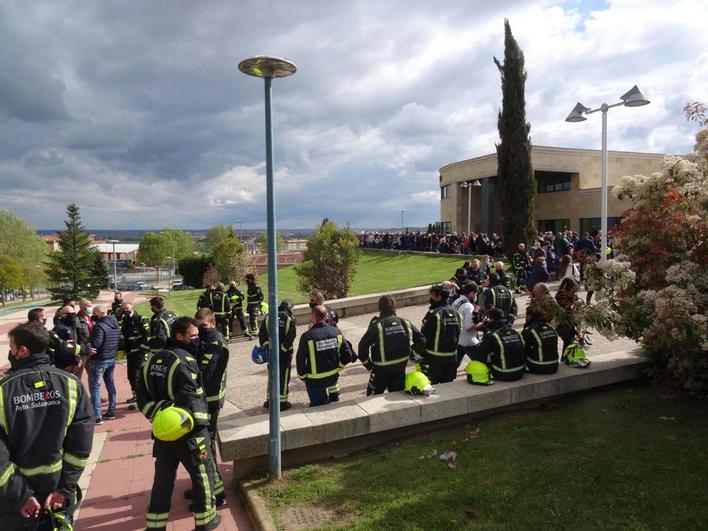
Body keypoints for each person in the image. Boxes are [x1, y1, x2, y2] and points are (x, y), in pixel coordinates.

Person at [0, 322, 93, 530]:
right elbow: (81, 445)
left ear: (22, 351)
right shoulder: (70, 384)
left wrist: (20, 496)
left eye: (12, 348)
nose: (11, 352)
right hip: (57, 494)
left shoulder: (3, 391)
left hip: (15, 502)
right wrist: (65, 488)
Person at [136, 317, 221, 531]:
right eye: (192, 336)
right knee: (203, 474)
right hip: (189, 432)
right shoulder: (185, 360)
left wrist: (159, 414)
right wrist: (202, 428)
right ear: (179, 336)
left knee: (163, 480)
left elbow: (142, 397)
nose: (196, 339)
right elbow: (192, 398)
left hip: (163, 433)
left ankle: (155, 526)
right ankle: (206, 520)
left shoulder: (152, 361)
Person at [188, 309, 230, 505]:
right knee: (201, 444)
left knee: (206, 445)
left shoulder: (216, 342)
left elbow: (205, 371)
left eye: (203, 327)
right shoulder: (206, 340)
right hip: (203, 399)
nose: (200, 331)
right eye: (197, 327)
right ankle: (206, 485)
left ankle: (214, 491)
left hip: (210, 400)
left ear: (212, 324)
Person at [358, 295, 425, 395]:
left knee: (372, 401)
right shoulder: (405, 322)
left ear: (380, 308)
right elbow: (422, 340)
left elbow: (363, 345)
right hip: (400, 368)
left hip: (380, 371)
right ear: (394, 307)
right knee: (397, 398)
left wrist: (368, 364)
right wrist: (411, 355)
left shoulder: (377, 325)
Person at [296, 306, 354, 406]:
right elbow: (348, 355)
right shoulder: (336, 332)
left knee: (317, 407)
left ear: (313, 317)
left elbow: (300, 360)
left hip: (314, 381)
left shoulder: (307, 336)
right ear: (326, 317)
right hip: (332, 378)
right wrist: (339, 367)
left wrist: (302, 377)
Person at [259, 300, 297, 409]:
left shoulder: (268, 317)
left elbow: (262, 334)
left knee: (272, 376)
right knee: (283, 377)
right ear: (290, 308)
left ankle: (269, 400)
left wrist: (267, 347)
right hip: (285, 354)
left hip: (271, 353)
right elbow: (291, 336)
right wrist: (282, 350)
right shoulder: (290, 319)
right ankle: (282, 402)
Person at [420, 284, 462, 384]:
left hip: (434, 360)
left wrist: (419, 354)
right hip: (452, 358)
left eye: (432, 296)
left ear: (439, 297)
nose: (431, 298)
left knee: (431, 387)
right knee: (447, 389)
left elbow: (424, 337)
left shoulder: (433, 313)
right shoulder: (457, 314)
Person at [88, 306, 120, 424]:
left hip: (100, 360)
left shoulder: (100, 326)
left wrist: (88, 346)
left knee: (95, 387)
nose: (93, 315)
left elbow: (96, 343)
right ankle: (111, 411)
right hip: (111, 358)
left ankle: (97, 416)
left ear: (100, 313)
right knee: (110, 384)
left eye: (94, 313)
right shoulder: (115, 325)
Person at [477, 308, 525, 381]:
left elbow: (481, 355)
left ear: (492, 320)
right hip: (520, 371)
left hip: (504, 373)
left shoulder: (492, 335)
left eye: (488, 318)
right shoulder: (514, 332)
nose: (486, 320)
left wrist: (485, 328)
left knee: (478, 364)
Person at [121, 301, 151, 410]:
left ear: (132, 307)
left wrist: (141, 352)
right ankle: (135, 397)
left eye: (127, 308)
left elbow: (147, 336)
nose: (125, 310)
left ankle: (141, 401)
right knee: (131, 377)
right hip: (130, 354)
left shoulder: (142, 319)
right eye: (123, 309)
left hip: (140, 354)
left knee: (138, 377)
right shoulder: (124, 320)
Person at [451, 283, 480, 366]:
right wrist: (483, 324)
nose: (475, 296)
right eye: (476, 293)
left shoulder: (456, 301)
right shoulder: (468, 306)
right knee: (481, 361)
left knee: (454, 365)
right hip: (469, 341)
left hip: (458, 339)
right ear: (472, 293)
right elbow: (469, 326)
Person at [522, 309, 560, 374]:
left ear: (530, 316)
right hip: (554, 365)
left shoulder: (529, 330)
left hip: (540, 366)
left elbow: (524, 351)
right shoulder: (550, 327)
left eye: (526, 315)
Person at [49, 306, 84, 372]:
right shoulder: (59, 328)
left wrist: (78, 358)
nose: (72, 316)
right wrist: (65, 365)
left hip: (73, 362)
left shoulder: (71, 326)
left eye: (74, 314)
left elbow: (75, 343)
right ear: (62, 315)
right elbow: (59, 347)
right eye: (69, 314)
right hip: (65, 364)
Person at [555, 278, 583, 353]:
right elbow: (566, 308)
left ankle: (567, 358)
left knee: (569, 342)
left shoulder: (572, 295)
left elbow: (576, 309)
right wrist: (573, 301)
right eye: (575, 287)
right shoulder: (561, 295)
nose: (577, 289)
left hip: (571, 322)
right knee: (568, 341)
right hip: (563, 322)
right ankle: (567, 359)